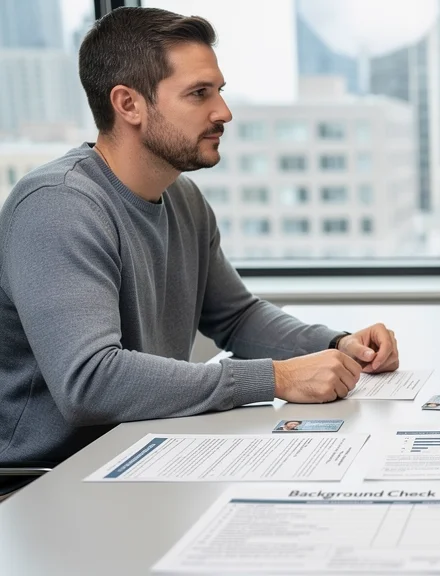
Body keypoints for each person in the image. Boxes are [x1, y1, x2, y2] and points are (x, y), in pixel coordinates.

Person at [0, 7, 399, 497]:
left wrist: (336, 345)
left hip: (142, 455)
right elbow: (90, 381)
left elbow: (236, 318)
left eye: (219, 91)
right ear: (128, 104)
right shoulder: (59, 205)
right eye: (198, 94)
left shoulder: (182, 197)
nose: (223, 112)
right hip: (46, 486)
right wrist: (274, 378)